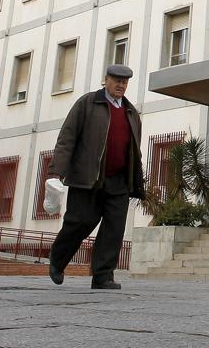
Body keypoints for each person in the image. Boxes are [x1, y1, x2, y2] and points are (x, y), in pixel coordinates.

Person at [48, 63, 145, 290]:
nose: (121, 85)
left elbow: (133, 149)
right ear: (106, 80)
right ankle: (58, 259)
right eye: (116, 80)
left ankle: (103, 276)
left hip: (119, 180)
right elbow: (67, 139)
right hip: (88, 177)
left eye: (125, 81)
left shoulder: (131, 112)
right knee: (80, 222)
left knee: (114, 229)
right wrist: (55, 173)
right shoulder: (87, 104)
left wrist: (135, 180)